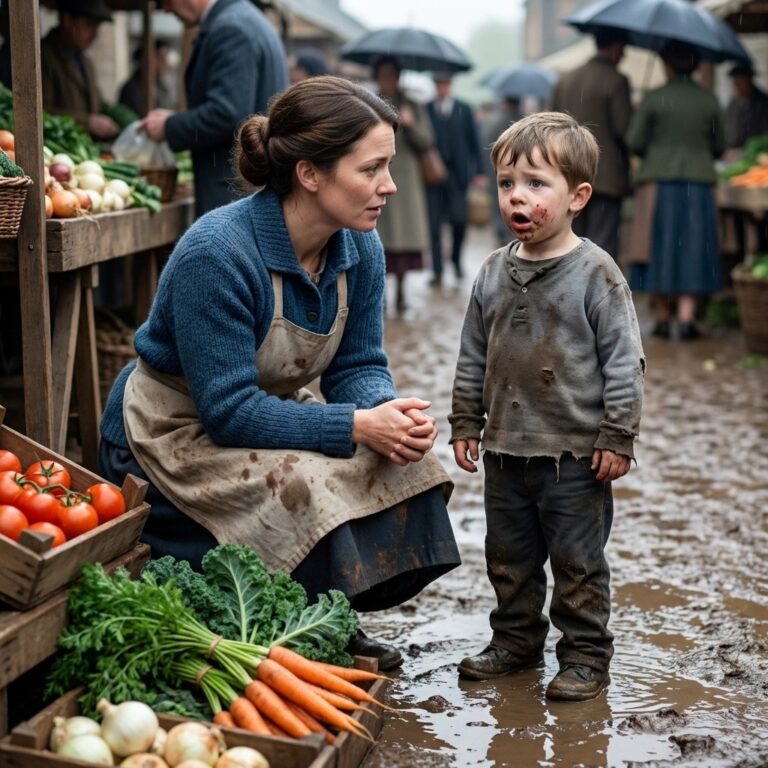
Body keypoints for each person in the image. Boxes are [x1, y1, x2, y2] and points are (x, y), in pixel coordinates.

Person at [97, 76, 461, 671]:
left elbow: (359, 365)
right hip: (168, 438)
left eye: (388, 166)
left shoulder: (360, 249)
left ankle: (328, 614)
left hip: (258, 416)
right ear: (310, 174)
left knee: (406, 463)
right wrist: (354, 426)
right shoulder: (217, 254)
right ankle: (305, 624)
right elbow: (229, 411)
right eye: (371, 169)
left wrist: (385, 414)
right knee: (308, 484)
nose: (389, 185)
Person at [449, 112, 644, 701]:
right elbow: (473, 353)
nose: (517, 196)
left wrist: (617, 435)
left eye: (536, 183)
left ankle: (584, 655)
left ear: (577, 197)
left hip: (575, 458)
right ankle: (515, 642)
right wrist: (465, 421)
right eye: (507, 183)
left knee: (578, 562)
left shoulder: (596, 273)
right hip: (506, 451)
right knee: (508, 558)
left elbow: (624, 361)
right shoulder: (492, 271)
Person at [141, 0, 289, 218]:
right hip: (250, 185)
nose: (166, 9)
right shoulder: (247, 19)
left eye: (166, 0)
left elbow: (227, 114)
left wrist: (169, 126)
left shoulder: (231, 28)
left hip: (233, 188)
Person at [626, 42, 725, 341]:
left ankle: (661, 316)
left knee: (658, 247)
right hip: (699, 183)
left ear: (666, 65)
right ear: (695, 65)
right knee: (693, 247)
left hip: (658, 182)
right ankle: (686, 318)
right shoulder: (708, 100)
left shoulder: (654, 98)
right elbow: (720, 145)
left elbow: (634, 142)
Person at [551, 30, 632, 262]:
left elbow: (550, 126)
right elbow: (624, 130)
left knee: (569, 241)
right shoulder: (616, 81)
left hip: (568, 174)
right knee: (602, 246)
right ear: (615, 47)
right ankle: (598, 286)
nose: (624, 55)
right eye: (623, 49)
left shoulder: (565, 80)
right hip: (606, 178)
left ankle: (569, 284)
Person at [372, 55, 435, 312]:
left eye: (392, 75)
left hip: (407, 180)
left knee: (404, 238)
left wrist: (410, 124)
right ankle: (381, 294)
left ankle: (400, 292)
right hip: (377, 174)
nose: (388, 80)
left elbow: (427, 140)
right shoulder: (370, 104)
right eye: (383, 75)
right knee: (380, 236)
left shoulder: (412, 105)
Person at [425, 72, 486, 285]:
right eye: (439, 83)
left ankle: (456, 259)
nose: (442, 87)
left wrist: (480, 172)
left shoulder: (464, 109)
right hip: (432, 177)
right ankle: (437, 270)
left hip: (458, 177)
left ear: (450, 85)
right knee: (433, 224)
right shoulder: (426, 109)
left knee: (459, 221)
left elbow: (474, 142)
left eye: (445, 83)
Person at [40, 0, 120, 141]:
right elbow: (39, 112)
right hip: (57, 145)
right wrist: (87, 122)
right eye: (89, 25)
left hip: (84, 144)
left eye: (97, 26)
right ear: (67, 20)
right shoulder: (42, 57)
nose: (95, 34)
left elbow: (97, 103)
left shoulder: (85, 61)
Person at [118, 40, 175, 116]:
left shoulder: (161, 86)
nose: (163, 62)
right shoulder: (131, 89)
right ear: (144, 61)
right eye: (159, 58)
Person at [724, 61, 768, 150]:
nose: (738, 87)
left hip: (756, 151)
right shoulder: (733, 103)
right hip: (733, 151)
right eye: (735, 82)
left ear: (749, 80)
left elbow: (764, 136)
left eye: (741, 82)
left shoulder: (763, 103)